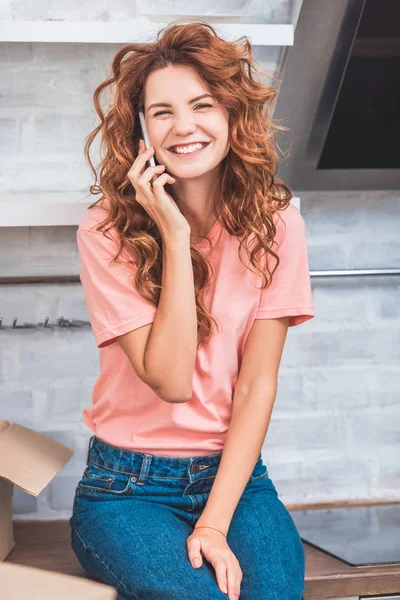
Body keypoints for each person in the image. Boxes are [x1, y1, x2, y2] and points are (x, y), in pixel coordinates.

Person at [69, 19, 315, 600]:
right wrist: (174, 239)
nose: (184, 127)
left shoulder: (277, 224)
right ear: (140, 133)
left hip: (236, 481)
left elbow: (256, 386)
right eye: (161, 112)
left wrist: (214, 522)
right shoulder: (106, 232)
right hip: (125, 490)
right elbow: (173, 382)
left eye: (201, 104)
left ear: (232, 113)